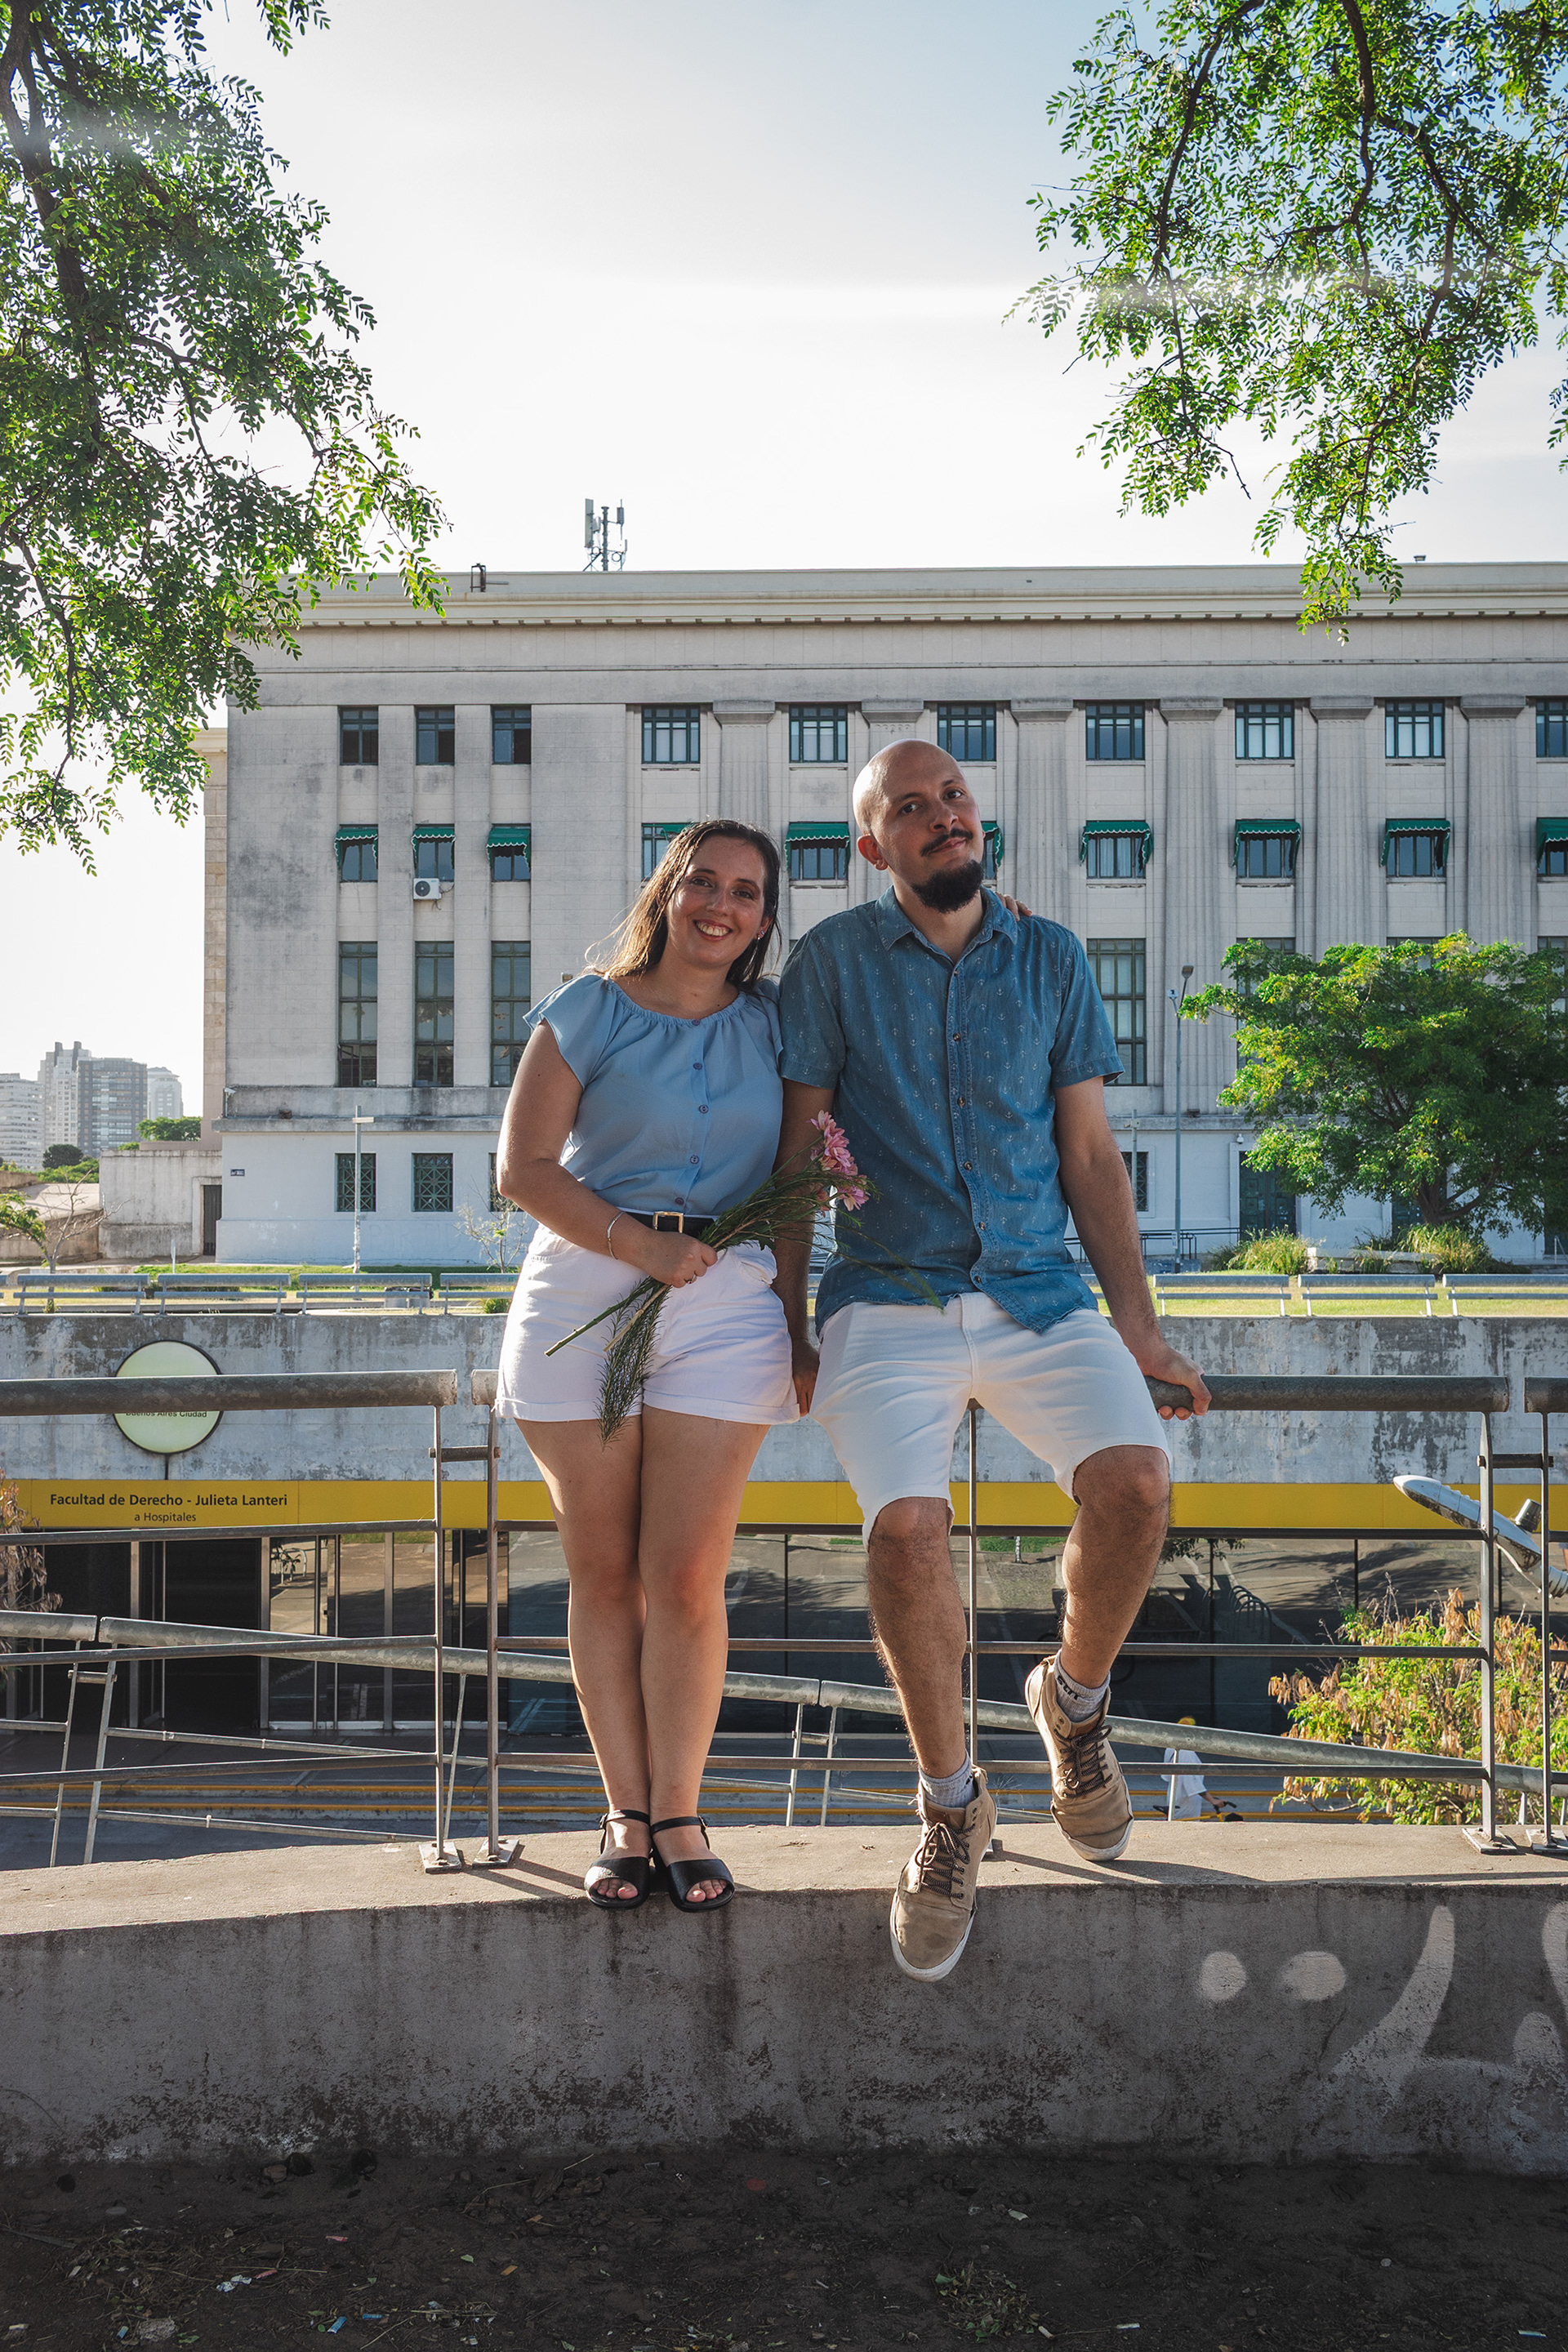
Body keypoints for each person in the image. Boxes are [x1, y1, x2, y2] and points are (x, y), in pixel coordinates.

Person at [775, 737, 1211, 1982]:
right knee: (905, 1534)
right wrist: (790, 1320)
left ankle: (1071, 1704)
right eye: (909, 809)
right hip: (887, 1296)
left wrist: (1135, 1324)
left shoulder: (1053, 954)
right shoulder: (833, 964)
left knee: (1134, 1483)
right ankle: (951, 1804)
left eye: (953, 797)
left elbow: (1089, 1160)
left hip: (1037, 1293)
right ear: (874, 847)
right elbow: (801, 1155)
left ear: (978, 816)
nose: (940, 818)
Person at [493, 817, 796, 1916]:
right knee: (604, 1573)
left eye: (746, 893)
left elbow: (811, 1176)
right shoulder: (588, 1010)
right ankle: (621, 1815)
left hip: (725, 1296)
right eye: (701, 882)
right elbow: (522, 1169)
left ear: (765, 919)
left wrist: (799, 1325)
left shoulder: (779, 1026)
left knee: (684, 1576)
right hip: (585, 1287)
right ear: (666, 892)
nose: (720, 905)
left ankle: (681, 1811)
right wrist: (641, 1247)